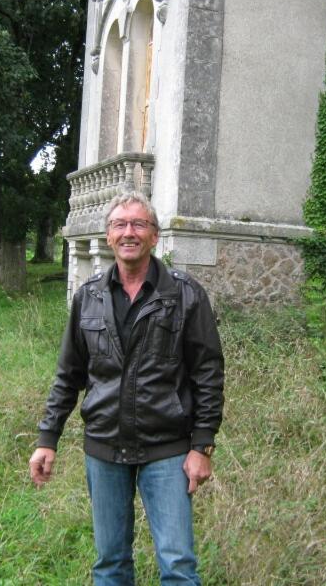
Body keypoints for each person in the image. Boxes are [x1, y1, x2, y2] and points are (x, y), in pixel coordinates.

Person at [29, 192, 224, 586]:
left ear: (155, 236)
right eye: (120, 225)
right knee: (111, 563)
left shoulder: (185, 294)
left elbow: (208, 374)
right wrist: (47, 438)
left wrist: (201, 446)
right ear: (108, 236)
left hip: (167, 448)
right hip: (104, 446)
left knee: (178, 565)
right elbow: (69, 373)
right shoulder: (89, 297)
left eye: (139, 224)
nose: (129, 232)